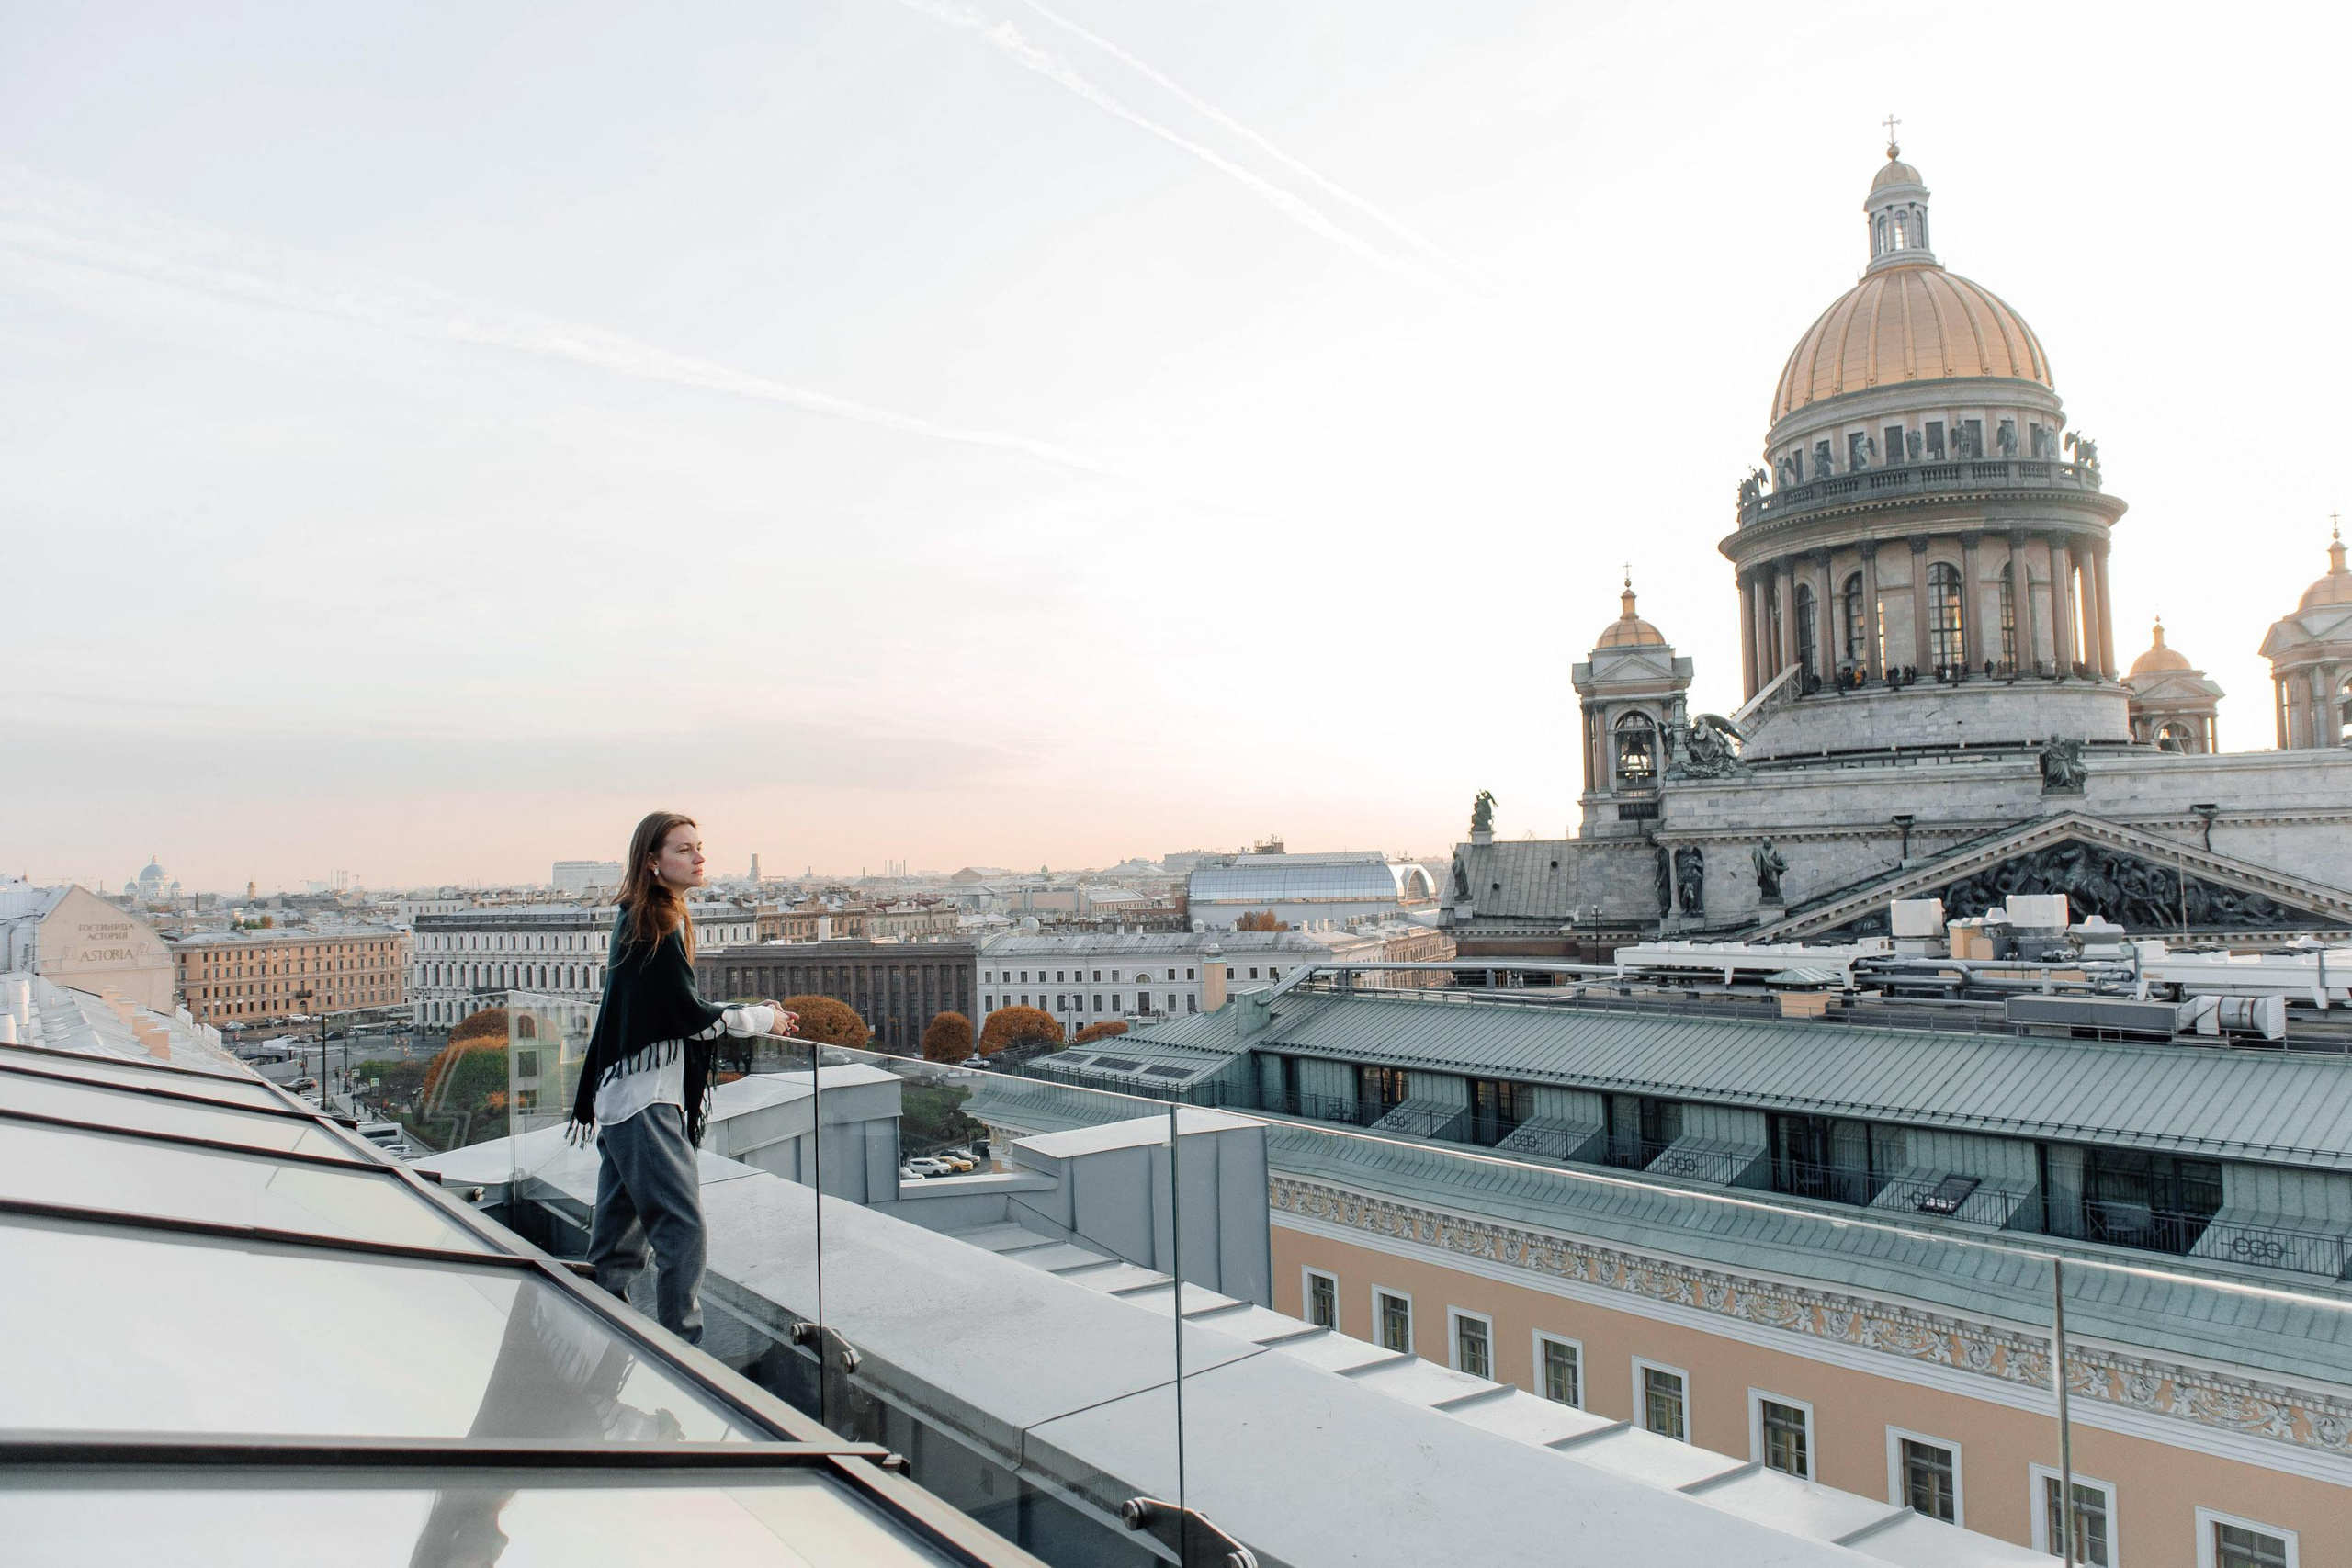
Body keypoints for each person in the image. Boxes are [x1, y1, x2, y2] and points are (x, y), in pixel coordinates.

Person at [567, 810, 797, 1343]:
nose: (699, 857)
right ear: (652, 863)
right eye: (684, 849)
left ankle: (600, 1334)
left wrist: (748, 1009)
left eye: (700, 846)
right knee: (682, 1229)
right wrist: (764, 1018)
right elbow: (688, 1019)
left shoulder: (641, 917)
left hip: (626, 1092)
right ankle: (681, 1353)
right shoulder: (657, 923)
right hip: (646, 1099)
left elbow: (674, 1007)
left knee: (617, 1239)